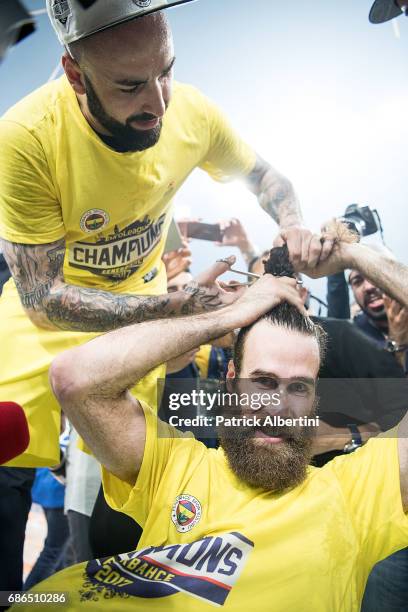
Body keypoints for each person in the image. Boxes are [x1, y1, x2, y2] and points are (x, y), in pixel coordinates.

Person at [15, 239, 408, 611]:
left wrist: (355, 254)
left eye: (299, 388)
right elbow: (74, 378)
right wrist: (222, 317)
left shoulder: (356, 490)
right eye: (263, 382)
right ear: (231, 379)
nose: (277, 406)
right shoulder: (177, 464)